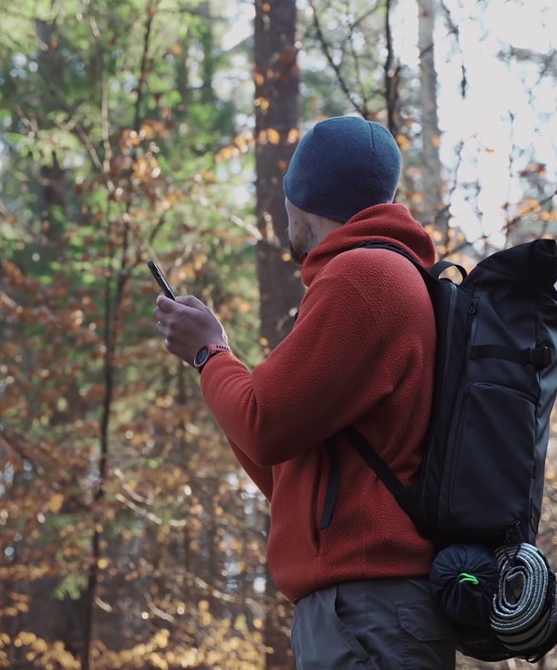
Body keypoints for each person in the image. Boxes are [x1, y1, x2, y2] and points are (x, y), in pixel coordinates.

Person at [153, 115, 455, 669]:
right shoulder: (385, 276)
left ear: (303, 200)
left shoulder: (362, 278)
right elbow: (283, 469)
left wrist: (210, 354)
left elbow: (263, 424)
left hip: (365, 611)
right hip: (363, 611)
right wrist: (216, 368)